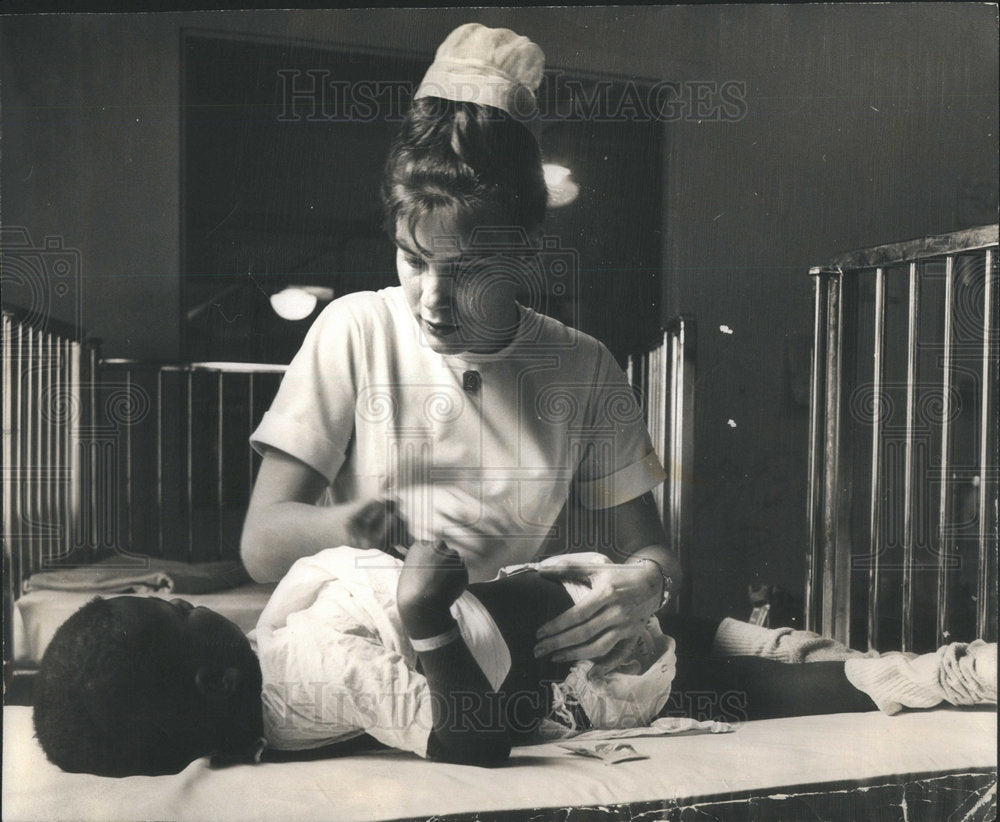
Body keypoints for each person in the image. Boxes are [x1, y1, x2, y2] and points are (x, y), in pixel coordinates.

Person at [239, 22, 681, 673]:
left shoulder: (583, 368)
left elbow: (652, 550)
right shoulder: (355, 330)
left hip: (503, 655)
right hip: (368, 649)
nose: (433, 300)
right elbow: (261, 543)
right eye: (413, 260)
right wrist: (362, 525)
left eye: (469, 269)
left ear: (524, 252)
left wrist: (648, 584)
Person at [33, 541, 997, 776]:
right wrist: (424, 618)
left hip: (593, 612)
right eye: (167, 611)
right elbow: (475, 741)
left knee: (775, 653)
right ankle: (962, 675)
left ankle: (906, 667)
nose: (176, 596)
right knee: (818, 679)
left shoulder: (272, 662)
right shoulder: (309, 678)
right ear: (210, 680)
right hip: (614, 671)